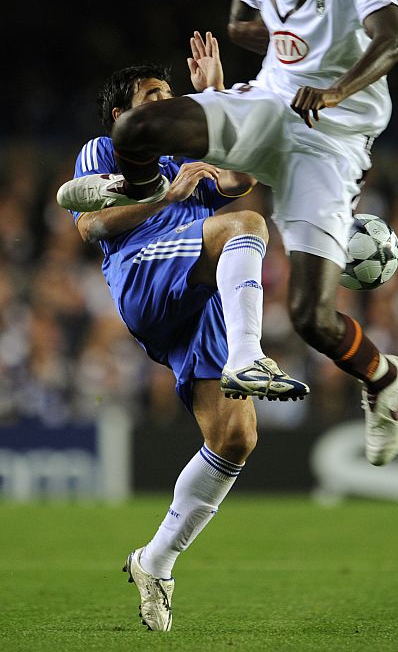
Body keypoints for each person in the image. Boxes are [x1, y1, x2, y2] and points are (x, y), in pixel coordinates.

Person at [57, 0, 398, 472]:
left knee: (307, 325)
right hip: (265, 114)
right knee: (147, 140)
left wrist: (330, 83)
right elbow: (242, 23)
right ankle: (141, 191)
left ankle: (382, 376)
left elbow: (393, 42)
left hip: (333, 137)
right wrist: (255, 70)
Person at [60, 34, 308, 633]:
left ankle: (156, 561)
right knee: (245, 226)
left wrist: (216, 95)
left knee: (236, 437)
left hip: (195, 297)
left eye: (170, 95)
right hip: (144, 272)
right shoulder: (104, 150)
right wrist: (164, 199)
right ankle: (248, 355)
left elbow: (239, 177)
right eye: (152, 96)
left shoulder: (183, 157)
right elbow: (91, 225)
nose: (165, 103)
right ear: (121, 114)